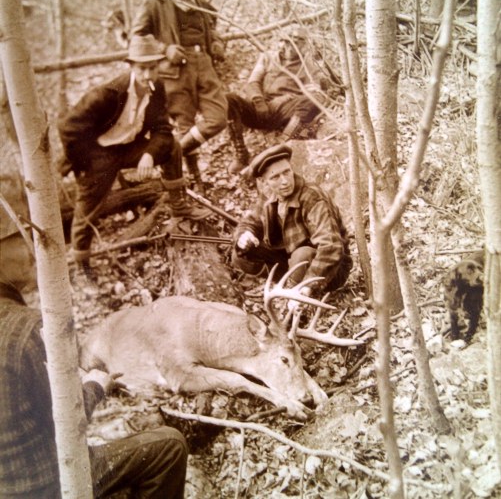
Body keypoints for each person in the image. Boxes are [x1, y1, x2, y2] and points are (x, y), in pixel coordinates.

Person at [0, 191, 188, 499]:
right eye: (21, 242)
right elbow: (67, 420)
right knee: (168, 447)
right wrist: (96, 386)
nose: (32, 252)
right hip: (45, 485)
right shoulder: (27, 327)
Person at [58, 34, 210, 288]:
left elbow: (163, 129)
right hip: (98, 155)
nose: (148, 74)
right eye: (142, 68)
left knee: (171, 147)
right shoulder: (106, 94)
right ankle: (82, 265)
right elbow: (68, 127)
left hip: (129, 148)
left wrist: (149, 154)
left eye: (153, 67)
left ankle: (178, 206)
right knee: (87, 211)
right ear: (131, 66)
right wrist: (85, 163)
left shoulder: (158, 88)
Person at [131, 0, 228, 189]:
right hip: (176, 70)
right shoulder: (155, 1)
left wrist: (215, 42)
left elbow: (211, 23)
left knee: (217, 118)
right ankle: (195, 180)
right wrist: (164, 49)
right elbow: (137, 35)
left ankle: (174, 154)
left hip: (203, 63)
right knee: (184, 123)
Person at [232, 144, 352, 296]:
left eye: (287, 172)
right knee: (242, 253)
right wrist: (245, 235)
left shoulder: (312, 198)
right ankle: (288, 286)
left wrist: (310, 284)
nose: (285, 181)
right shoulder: (269, 192)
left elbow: (331, 246)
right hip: (293, 260)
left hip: (331, 269)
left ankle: (296, 298)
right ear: (264, 181)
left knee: (301, 254)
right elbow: (251, 221)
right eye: (275, 177)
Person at [226, 26, 333, 173]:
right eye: (286, 41)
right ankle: (241, 154)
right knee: (229, 99)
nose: (289, 46)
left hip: (287, 109)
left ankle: (280, 144)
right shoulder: (267, 57)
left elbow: (316, 89)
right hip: (263, 108)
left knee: (313, 99)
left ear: (305, 45)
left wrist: (288, 98)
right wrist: (258, 101)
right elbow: (252, 82)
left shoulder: (309, 63)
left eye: (296, 42)